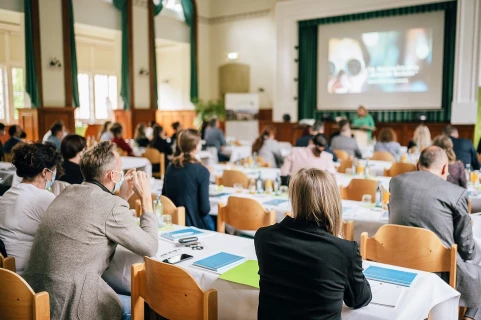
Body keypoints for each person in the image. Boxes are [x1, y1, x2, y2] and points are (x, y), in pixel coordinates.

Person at [23, 141, 158, 320]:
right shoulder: (110, 206)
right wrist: (146, 199)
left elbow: (99, 212)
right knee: (142, 303)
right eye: (120, 169)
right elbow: (150, 247)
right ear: (112, 175)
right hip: (70, 306)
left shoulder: (68, 191)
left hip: (33, 296)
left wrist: (123, 196)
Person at [255, 168, 372, 319]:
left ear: (294, 199)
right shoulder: (344, 251)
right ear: (333, 201)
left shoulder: (264, 237)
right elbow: (359, 299)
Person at [389, 146, 481, 319]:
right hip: (439, 270)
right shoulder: (456, 193)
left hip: (397, 262)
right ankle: (470, 317)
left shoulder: (395, 182)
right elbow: (466, 250)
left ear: (417, 165)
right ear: (445, 168)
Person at [0, 143, 61, 274]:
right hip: (26, 276)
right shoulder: (44, 197)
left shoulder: (8, 193)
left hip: (6, 273)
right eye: (53, 170)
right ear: (45, 172)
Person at [162, 129, 214, 230]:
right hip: (194, 226)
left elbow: (164, 196)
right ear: (197, 146)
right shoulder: (202, 171)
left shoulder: (170, 167)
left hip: (173, 222)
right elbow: (205, 209)